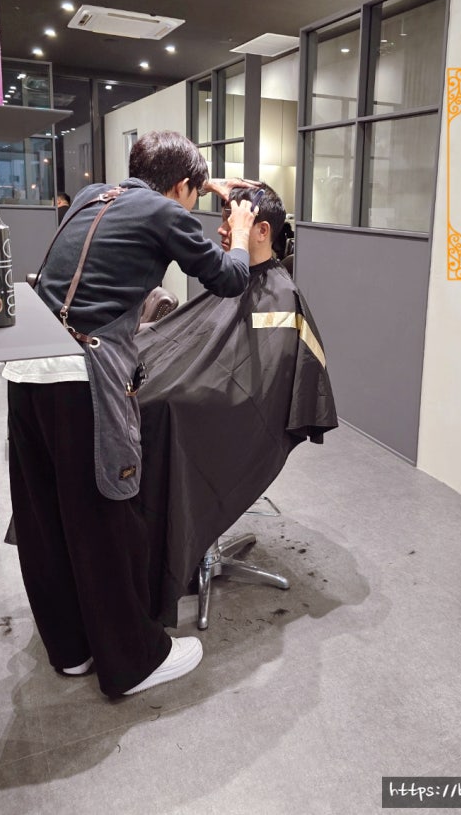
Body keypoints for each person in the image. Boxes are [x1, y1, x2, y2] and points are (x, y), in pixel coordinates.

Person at [3, 131, 259, 697]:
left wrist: (202, 184)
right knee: (104, 522)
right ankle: (135, 661)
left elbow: (153, 197)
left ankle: (72, 650)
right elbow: (230, 278)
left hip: (25, 372)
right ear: (181, 186)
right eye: (193, 192)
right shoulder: (167, 213)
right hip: (81, 379)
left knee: (47, 518)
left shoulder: (94, 194)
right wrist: (239, 233)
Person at [136, 183, 338, 623]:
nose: (223, 229)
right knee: (144, 394)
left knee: (162, 413)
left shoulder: (281, 297)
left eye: (233, 220)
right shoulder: (234, 277)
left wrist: (182, 392)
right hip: (209, 401)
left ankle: (169, 554)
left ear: (261, 231)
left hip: (239, 422)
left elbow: (257, 383)